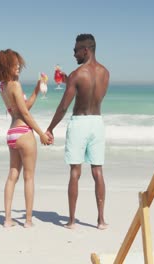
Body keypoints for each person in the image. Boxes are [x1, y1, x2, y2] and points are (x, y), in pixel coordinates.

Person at [46, 34, 110, 230]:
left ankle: (72, 221)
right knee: (98, 171)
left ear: (86, 50)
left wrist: (50, 128)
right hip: (97, 122)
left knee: (75, 171)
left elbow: (64, 106)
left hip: (80, 123)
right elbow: (89, 93)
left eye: (76, 50)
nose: (73, 54)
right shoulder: (105, 73)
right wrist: (69, 81)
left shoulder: (77, 74)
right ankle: (100, 220)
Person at [0, 49, 52, 228]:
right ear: (6, 65)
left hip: (12, 134)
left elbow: (21, 108)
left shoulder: (3, 86)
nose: (18, 67)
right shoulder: (15, 85)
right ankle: (28, 220)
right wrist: (41, 134)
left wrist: (37, 91)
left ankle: (7, 219)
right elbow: (24, 113)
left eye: (18, 64)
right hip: (24, 133)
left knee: (12, 176)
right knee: (29, 178)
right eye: (14, 64)